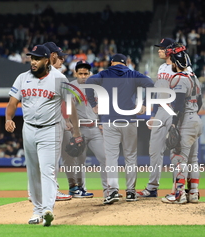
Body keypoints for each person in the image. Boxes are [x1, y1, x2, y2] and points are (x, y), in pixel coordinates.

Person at [5, 45, 82, 226]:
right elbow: (12, 102)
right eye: (32, 58)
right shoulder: (22, 78)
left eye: (37, 58)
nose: (33, 61)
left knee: (47, 170)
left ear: (47, 60)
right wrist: (8, 118)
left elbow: (70, 106)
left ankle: (47, 209)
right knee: (32, 171)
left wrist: (76, 131)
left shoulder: (59, 79)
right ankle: (37, 210)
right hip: (29, 128)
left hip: (51, 129)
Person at [86, 53, 154, 204]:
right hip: (129, 120)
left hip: (109, 121)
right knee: (130, 157)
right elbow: (151, 84)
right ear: (126, 63)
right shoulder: (133, 74)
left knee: (111, 157)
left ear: (112, 63)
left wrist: (93, 105)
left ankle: (113, 191)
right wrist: (144, 104)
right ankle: (130, 192)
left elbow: (89, 82)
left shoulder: (104, 74)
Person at [161, 50, 202, 204]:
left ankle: (179, 195)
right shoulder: (194, 77)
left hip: (185, 122)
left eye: (172, 61)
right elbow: (200, 103)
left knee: (179, 159)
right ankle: (193, 193)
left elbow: (178, 105)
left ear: (177, 63)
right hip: (196, 120)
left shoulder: (178, 78)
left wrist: (174, 123)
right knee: (193, 160)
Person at [137, 38, 176, 198]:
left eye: (162, 48)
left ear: (171, 50)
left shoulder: (180, 67)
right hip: (161, 109)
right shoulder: (161, 67)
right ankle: (152, 187)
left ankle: (177, 189)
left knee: (176, 149)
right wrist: (152, 114)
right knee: (154, 150)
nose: (159, 50)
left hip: (175, 110)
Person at [62, 60, 107, 198]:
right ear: (75, 73)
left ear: (90, 73)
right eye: (80, 73)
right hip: (79, 128)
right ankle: (79, 188)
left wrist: (103, 123)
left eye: (85, 73)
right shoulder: (71, 87)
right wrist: (68, 122)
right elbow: (66, 106)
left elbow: (103, 106)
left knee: (105, 157)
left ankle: (109, 190)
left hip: (94, 127)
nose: (83, 76)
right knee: (79, 161)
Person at [43, 41, 72, 201]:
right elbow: (66, 101)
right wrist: (67, 119)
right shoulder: (59, 77)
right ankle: (52, 192)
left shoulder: (34, 74)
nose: (62, 60)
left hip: (36, 122)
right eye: (60, 57)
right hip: (54, 120)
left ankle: (34, 193)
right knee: (53, 159)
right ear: (52, 56)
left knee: (38, 160)